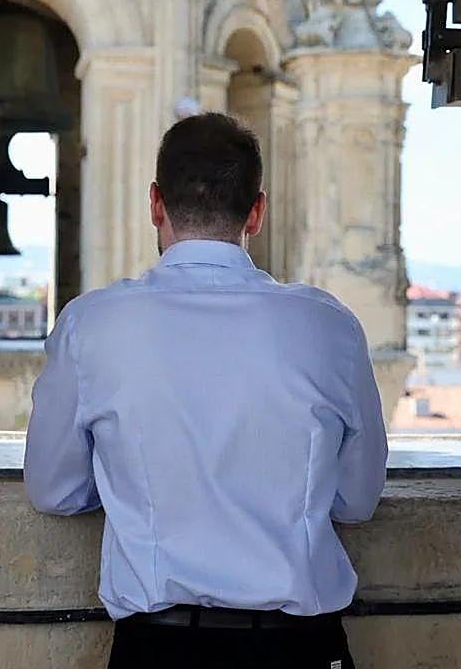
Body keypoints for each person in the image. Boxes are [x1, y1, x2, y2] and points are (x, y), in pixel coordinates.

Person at [24, 112, 387, 669]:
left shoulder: (91, 325)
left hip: (159, 651)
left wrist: (129, 481)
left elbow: (54, 490)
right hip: (300, 649)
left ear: (155, 204)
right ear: (257, 211)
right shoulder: (329, 325)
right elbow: (356, 502)